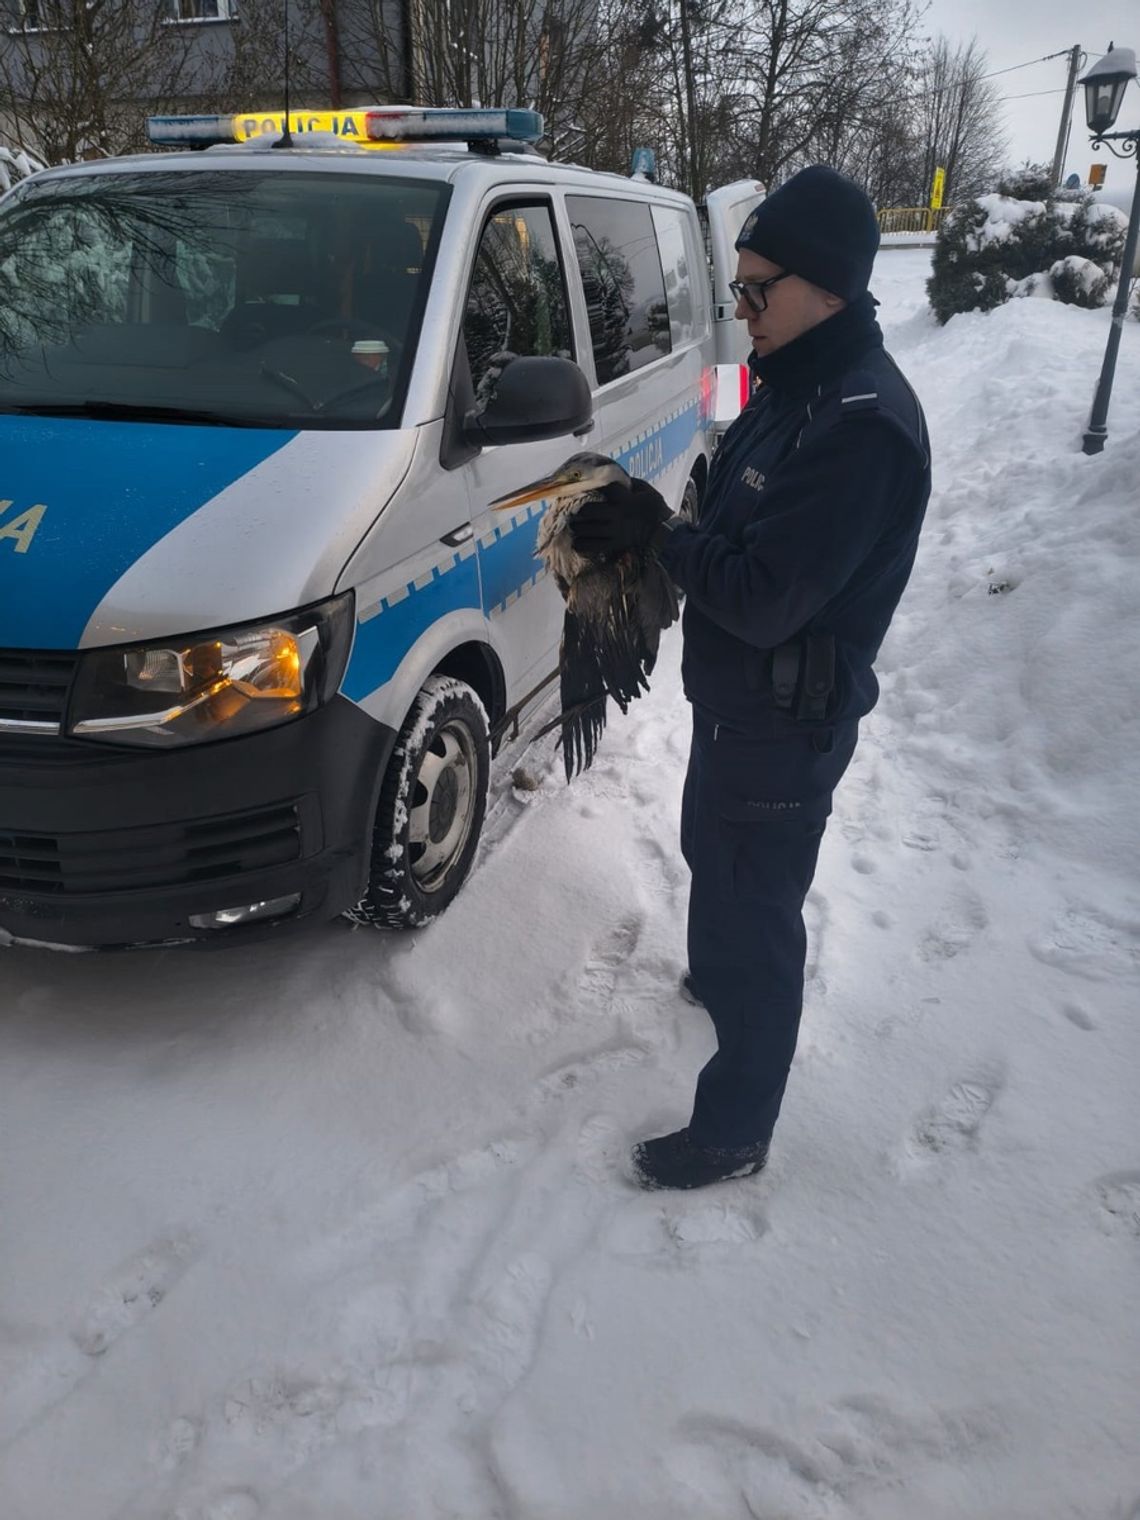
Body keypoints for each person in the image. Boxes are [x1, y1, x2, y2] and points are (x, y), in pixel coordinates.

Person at [569, 166, 932, 1191]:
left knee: (757, 906)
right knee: (718, 864)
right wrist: (657, 517)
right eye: (738, 289)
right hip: (741, 710)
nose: (742, 310)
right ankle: (723, 980)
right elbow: (724, 508)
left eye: (756, 289)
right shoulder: (795, 385)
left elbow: (765, 593)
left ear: (824, 285)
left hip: (782, 720)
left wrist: (663, 536)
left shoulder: (858, 427)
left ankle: (735, 1129)